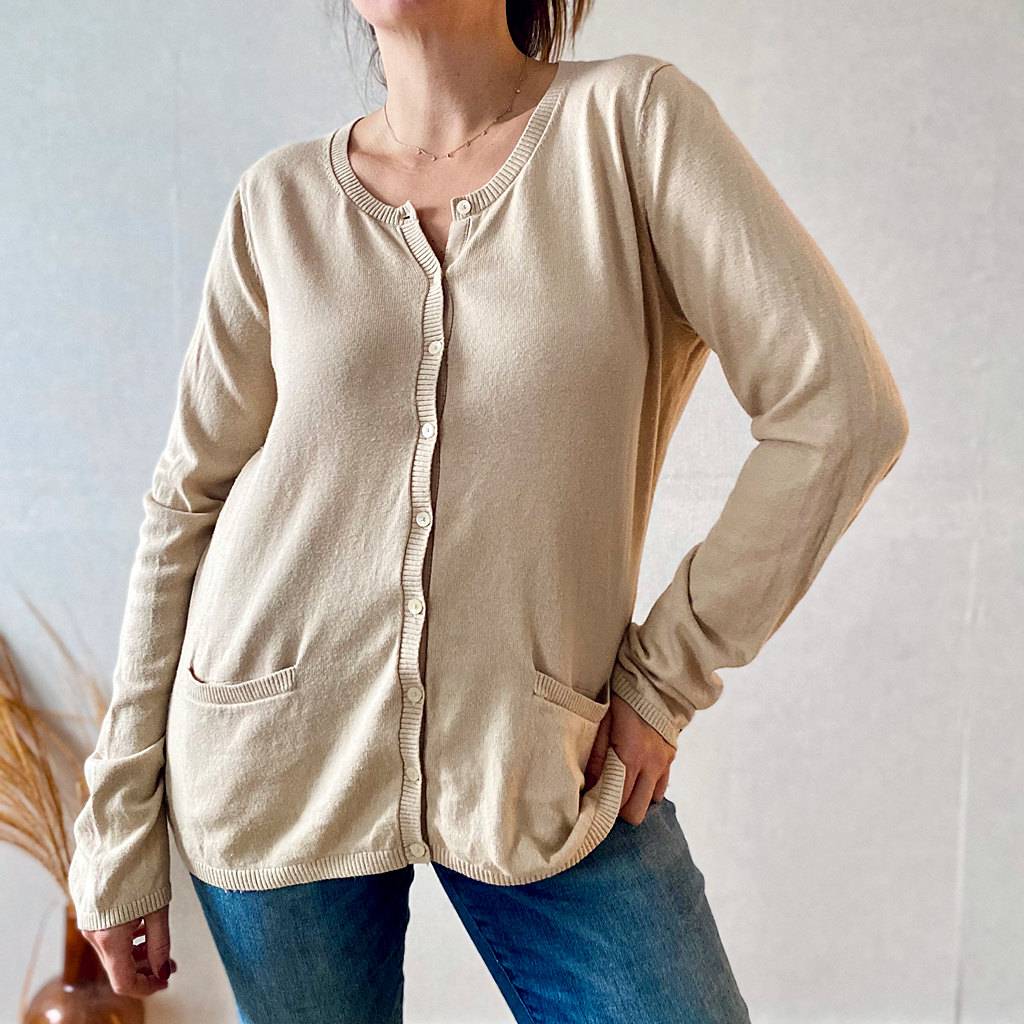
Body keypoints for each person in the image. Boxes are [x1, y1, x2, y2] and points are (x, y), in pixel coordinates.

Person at [68, 1, 909, 1021]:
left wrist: (665, 680)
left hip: (544, 762)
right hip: (267, 759)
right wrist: (116, 825)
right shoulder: (278, 202)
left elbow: (841, 410)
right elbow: (186, 501)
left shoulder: (630, 127)